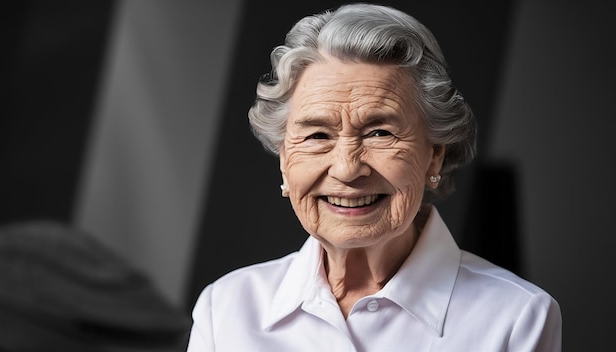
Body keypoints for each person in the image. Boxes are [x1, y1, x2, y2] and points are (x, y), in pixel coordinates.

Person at [187, 3, 562, 351]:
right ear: (285, 160)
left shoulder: (517, 318)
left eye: (380, 133)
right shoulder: (225, 310)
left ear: (434, 155)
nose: (348, 169)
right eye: (318, 135)